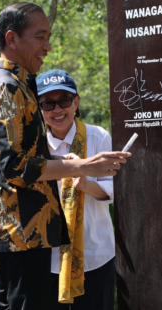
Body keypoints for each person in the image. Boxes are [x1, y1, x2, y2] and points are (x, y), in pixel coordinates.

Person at [0, 2, 130, 309]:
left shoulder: (22, 85)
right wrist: (85, 165)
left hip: (34, 236)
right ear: (12, 39)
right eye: (40, 37)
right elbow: (15, 167)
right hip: (18, 233)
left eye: (64, 101)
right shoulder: (7, 89)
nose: (47, 46)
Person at [37, 69, 115, 309]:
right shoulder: (35, 146)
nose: (57, 110)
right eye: (48, 103)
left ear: (76, 102)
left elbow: (115, 190)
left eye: (64, 101)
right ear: (39, 108)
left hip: (96, 252)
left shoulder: (97, 137)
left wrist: (85, 184)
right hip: (49, 257)